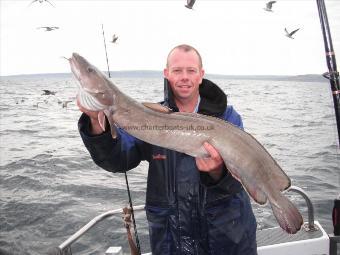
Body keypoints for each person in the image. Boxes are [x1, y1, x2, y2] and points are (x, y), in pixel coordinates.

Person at [77, 44, 257, 255]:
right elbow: (117, 159)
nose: (184, 77)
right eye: (177, 70)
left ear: (201, 75)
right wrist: (96, 124)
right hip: (172, 241)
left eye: (191, 71)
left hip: (225, 238)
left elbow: (243, 175)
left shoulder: (228, 119)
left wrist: (217, 171)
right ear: (166, 74)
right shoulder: (148, 117)